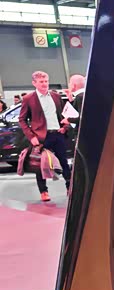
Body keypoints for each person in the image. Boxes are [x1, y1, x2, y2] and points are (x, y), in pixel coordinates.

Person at [18, 71, 72, 202]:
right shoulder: (28, 99)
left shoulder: (55, 96)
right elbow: (22, 120)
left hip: (58, 134)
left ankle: (69, 188)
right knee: (40, 165)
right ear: (34, 83)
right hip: (41, 137)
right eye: (41, 82)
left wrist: (65, 127)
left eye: (46, 81)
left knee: (64, 162)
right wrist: (31, 136)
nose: (44, 84)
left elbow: (65, 114)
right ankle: (43, 191)